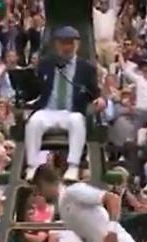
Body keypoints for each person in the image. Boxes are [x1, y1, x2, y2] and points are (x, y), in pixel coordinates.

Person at [24, 26, 106, 182]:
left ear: (77, 45)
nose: (66, 47)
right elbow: (33, 91)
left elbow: (95, 93)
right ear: (56, 45)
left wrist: (101, 100)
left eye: (70, 43)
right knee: (34, 121)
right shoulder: (46, 64)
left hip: (71, 112)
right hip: (48, 110)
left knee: (77, 121)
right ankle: (32, 166)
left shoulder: (86, 68)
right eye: (63, 43)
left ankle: (73, 166)